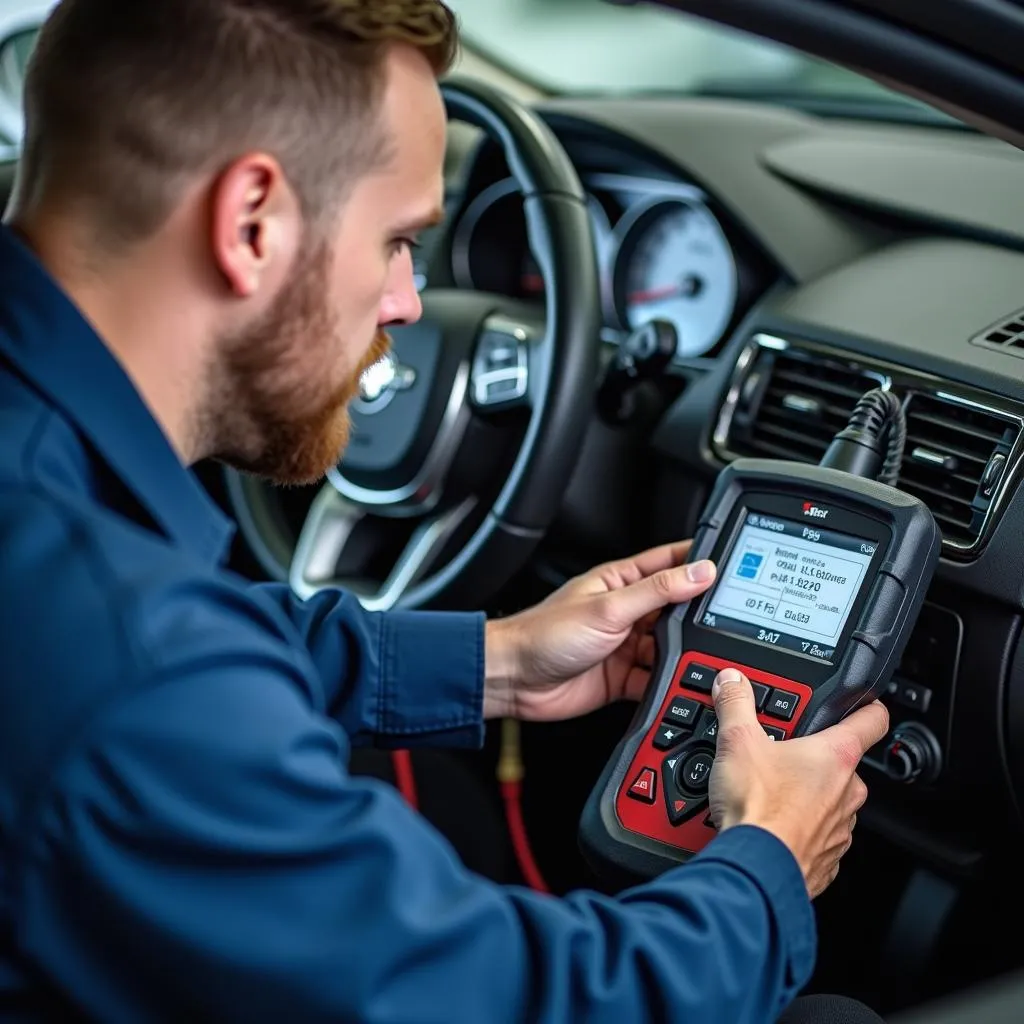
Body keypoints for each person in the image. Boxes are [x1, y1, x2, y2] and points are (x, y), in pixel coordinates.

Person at [0, 1, 891, 1021]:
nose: (409, 305)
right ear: (251, 222)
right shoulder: (127, 662)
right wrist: (767, 865)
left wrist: (496, 660)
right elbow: (508, 1002)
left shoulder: (61, 527)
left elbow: (171, 661)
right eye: (393, 241)